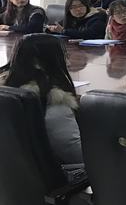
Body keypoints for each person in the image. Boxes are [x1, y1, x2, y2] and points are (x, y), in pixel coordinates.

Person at [0, 34, 83, 166]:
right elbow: (78, 155)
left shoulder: (7, 93)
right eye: (64, 56)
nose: (68, 62)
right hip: (59, 176)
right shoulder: (54, 103)